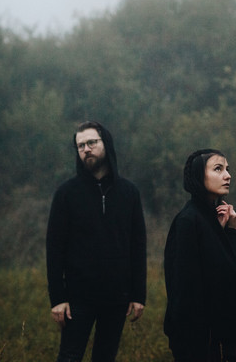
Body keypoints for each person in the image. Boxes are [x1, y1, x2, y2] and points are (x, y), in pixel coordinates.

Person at [46, 121, 147, 362]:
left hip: (117, 296)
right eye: (80, 145)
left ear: (106, 144)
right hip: (78, 297)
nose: (86, 149)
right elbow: (54, 248)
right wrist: (58, 298)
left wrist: (138, 294)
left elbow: (137, 246)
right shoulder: (66, 194)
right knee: (69, 357)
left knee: (105, 357)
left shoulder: (129, 193)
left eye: (91, 142)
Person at [164, 149, 236, 362]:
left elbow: (232, 276)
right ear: (198, 175)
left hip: (221, 337)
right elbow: (183, 290)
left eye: (227, 169)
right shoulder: (188, 221)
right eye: (218, 169)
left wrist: (229, 232)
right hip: (201, 343)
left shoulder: (212, 218)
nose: (228, 175)